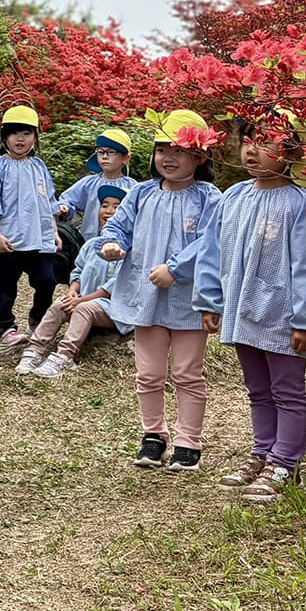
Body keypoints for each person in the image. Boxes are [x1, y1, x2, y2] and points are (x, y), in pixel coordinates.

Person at [194, 118, 306, 503]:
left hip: (282, 315)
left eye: (266, 142)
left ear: (290, 152)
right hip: (242, 310)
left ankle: (284, 462)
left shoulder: (302, 204)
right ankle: (262, 452)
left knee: (287, 390)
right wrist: (210, 299)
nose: (252, 150)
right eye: (249, 141)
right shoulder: (233, 197)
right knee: (257, 390)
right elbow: (211, 252)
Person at [99, 110, 225, 471]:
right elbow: (118, 227)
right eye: (162, 149)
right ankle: (153, 434)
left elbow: (211, 243)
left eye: (180, 150)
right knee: (149, 373)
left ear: (200, 157)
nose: (168, 157)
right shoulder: (140, 192)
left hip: (188, 301)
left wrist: (176, 269)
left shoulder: (208, 198)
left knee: (187, 372)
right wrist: (110, 245)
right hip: (146, 298)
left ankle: (189, 440)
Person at [17, 186, 130, 377]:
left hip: (115, 308)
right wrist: (73, 291)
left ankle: (64, 356)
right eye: (104, 205)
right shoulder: (92, 245)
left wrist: (80, 301)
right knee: (60, 304)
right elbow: (78, 270)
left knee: (84, 309)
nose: (109, 211)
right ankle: (35, 349)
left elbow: (113, 287)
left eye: (117, 207)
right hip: (84, 301)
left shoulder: (129, 250)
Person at [0, 104, 59, 346]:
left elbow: (49, 200)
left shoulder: (39, 166)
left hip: (39, 238)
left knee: (47, 280)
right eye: (14, 133)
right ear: (5, 137)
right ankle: (6, 328)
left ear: (35, 136)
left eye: (26, 133)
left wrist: (53, 230)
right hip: (9, 239)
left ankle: (39, 319)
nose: (20, 139)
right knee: (5, 285)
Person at [59, 128, 135, 239]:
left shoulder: (133, 187)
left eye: (111, 152)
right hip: (89, 242)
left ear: (125, 158)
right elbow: (68, 199)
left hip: (121, 245)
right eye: (101, 152)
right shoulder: (89, 183)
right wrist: (64, 207)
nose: (104, 156)